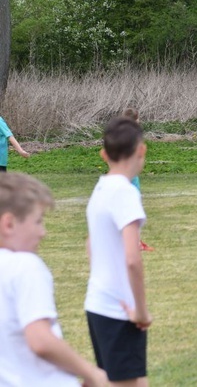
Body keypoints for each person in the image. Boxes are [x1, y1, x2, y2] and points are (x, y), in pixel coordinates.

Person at [0, 172, 109, 387]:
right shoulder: (25, 266)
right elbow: (40, 340)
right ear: (9, 224)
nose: (43, 232)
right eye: (38, 221)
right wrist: (92, 373)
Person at [85, 116, 152, 386]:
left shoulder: (100, 189)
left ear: (103, 154)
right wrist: (141, 312)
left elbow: (90, 246)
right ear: (141, 150)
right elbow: (132, 259)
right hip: (119, 310)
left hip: (97, 304)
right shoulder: (125, 193)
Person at [121, 108, 153, 252]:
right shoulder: (133, 134)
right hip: (131, 173)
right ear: (136, 119)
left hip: (121, 172)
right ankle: (135, 242)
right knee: (134, 207)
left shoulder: (118, 133)